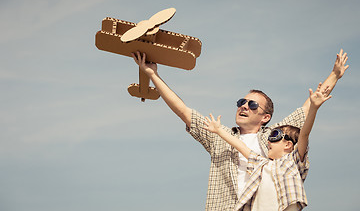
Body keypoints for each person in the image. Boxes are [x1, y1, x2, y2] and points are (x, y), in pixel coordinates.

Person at [131, 49, 349, 210]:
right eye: (241, 101)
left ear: (265, 117)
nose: (244, 106)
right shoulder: (218, 135)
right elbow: (183, 111)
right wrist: (153, 75)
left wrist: (335, 75)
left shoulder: (275, 135)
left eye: (252, 104)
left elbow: (310, 105)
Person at [203, 83, 332, 210]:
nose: (268, 141)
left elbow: (304, 134)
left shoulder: (294, 161)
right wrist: (219, 131)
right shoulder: (262, 165)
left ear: (288, 144)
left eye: (274, 135)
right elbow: (241, 147)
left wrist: (314, 108)